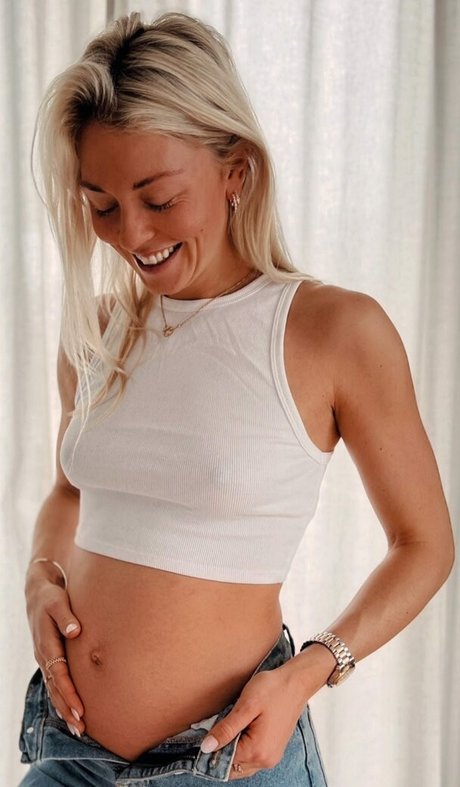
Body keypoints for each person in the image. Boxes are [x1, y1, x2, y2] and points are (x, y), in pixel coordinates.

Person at [19, 10, 454, 787]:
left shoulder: (332, 330)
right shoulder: (99, 326)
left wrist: (310, 670)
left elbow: (425, 544)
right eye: (102, 204)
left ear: (235, 172)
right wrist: (38, 577)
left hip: (230, 762)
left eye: (158, 197)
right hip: (70, 754)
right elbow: (68, 490)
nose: (132, 234)